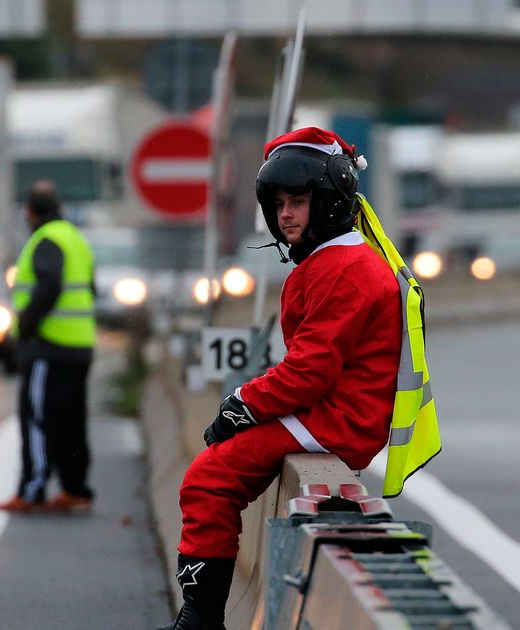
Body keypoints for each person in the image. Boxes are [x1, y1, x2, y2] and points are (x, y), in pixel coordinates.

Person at [157, 127, 404, 630]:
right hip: (332, 412)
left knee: (209, 478)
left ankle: (200, 622)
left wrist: (240, 404)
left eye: (298, 201)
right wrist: (246, 406)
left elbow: (309, 371)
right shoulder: (338, 260)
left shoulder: (342, 269)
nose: (285, 214)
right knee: (214, 470)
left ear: (330, 202)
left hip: (336, 419)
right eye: (278, 203)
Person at [0, 180, 97, 514]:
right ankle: (74, 488)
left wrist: (26, 324)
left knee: (37, 419)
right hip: (79, 344)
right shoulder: (75, 239)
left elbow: (50, 284)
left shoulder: (45, 240)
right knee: (71, 422)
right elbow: (90, 288)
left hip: (49, 346)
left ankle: (32, 489)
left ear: (30, 212)